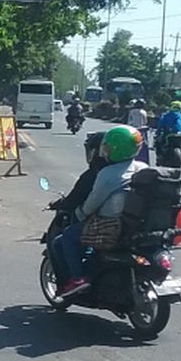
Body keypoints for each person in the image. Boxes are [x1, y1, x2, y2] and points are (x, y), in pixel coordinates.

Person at [51, 125, 148, 297]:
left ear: (116, 149)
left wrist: (79, 215)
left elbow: (92, 204)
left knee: (65, 239)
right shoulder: (142, 167)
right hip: (134, 224)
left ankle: (78, 278)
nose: (105, 150)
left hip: (108, 224)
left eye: (108, 146)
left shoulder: (108, 173)